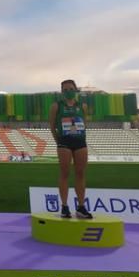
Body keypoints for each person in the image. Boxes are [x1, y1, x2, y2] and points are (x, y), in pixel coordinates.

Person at [49, 79, 92, 219]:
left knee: (80, 174)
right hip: (64, 143)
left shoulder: (82, 106)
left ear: (75, 89)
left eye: (70, 89)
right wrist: (58, 141)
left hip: (80, 142)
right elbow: (52, 126)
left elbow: (85, 123)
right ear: (62, 92)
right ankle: (64, 206)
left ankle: (81, 207)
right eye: (65, 90)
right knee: (64, 173)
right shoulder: (56, 106)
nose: (68, 92)